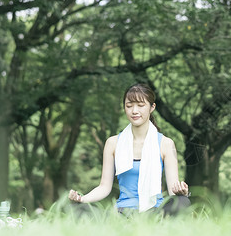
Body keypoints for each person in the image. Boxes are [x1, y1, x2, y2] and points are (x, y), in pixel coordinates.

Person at [69, 83, 190, 216]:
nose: (134, 111)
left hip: (155, 212)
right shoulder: (113, 143)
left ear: (152, 107)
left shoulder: (165, 144)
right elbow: (104, 187)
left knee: (182, 202)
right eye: (129, 106)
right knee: (77, 209)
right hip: (122, 213)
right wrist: (82, 199)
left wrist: (181, 193)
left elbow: (173, 189)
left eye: (140, 105)